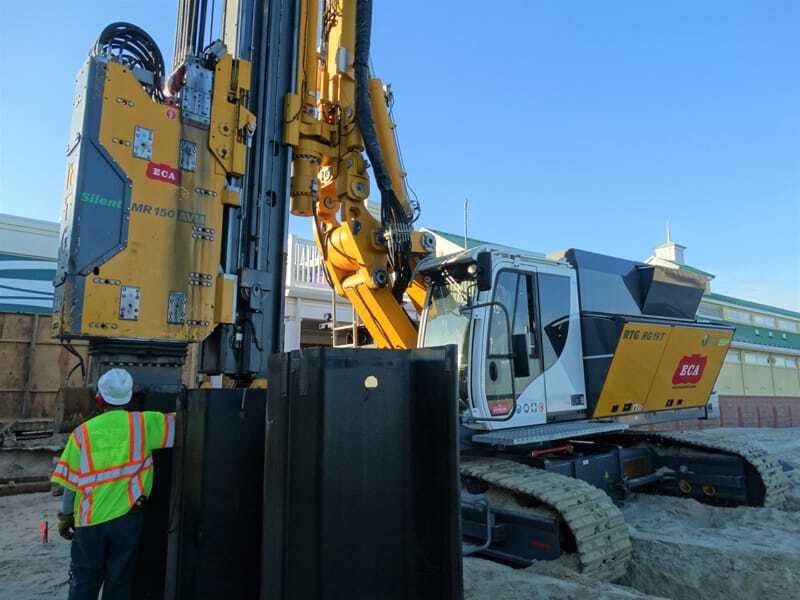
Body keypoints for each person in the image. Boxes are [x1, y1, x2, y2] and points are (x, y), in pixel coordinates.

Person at [51, 368, 176, 600]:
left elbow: (71, 484)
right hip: (127, 520)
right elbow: (186, 421)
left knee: (84, 581)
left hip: (89, 522)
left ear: (99, 398)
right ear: (129, 397)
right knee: (119, 582)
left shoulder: (82, 433)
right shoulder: (144, 424)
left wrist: (66, 516)